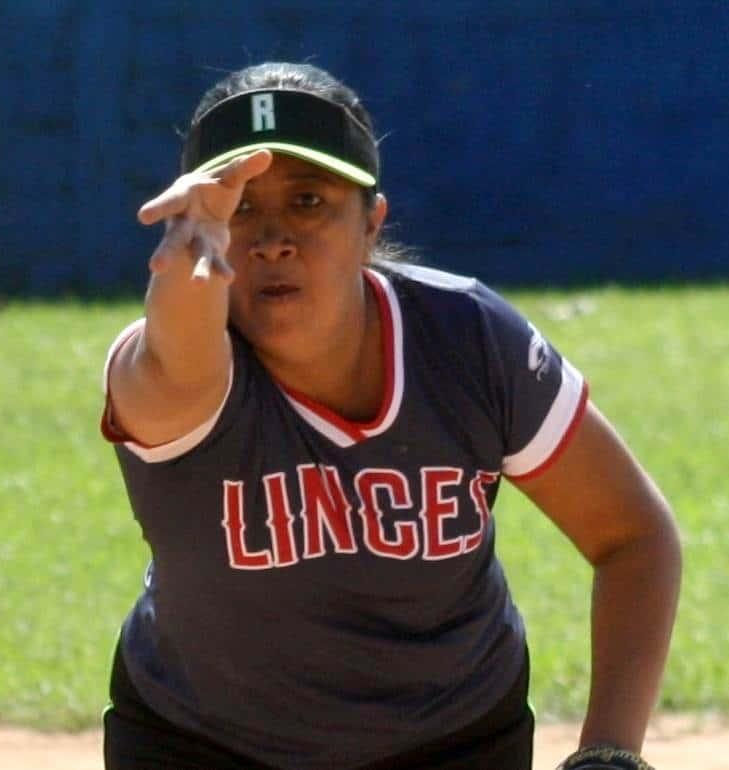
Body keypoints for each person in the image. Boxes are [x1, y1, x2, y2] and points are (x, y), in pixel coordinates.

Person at [99, 61, 681, 770]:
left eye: (309, 201)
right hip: (203, 741)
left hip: (452, 738)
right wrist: (191, 252)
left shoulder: (467, 340)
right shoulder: (167, 370)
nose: (271, 238)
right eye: (238, 207)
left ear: (370, 221)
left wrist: (609, 751)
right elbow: (180, 346)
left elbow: (630, 535)